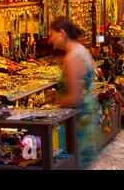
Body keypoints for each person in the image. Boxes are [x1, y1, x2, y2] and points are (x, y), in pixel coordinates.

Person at [48, 17, 100, 169]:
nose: (50, 40)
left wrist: (54, 105)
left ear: (62, 33)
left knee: (74, 163)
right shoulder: (80, 50)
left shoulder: (72, 58)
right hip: (85, 117)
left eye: (52, 34)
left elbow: (74, 97)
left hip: (78, 122)